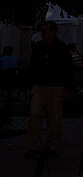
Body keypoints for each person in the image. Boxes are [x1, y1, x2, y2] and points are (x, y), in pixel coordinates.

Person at [26, 21, 74, 156]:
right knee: (34, 114)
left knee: (54, 118)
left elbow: (68, 69)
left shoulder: (61, 48)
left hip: (55, 86)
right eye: (42, 31)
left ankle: (52, 145)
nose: (42, 34)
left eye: (45, 31)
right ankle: (33, 145)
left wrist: (66, 88)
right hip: (40, 86)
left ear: (52, 32)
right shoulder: (38, 47)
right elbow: (32, 66)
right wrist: (32, 85)